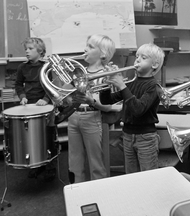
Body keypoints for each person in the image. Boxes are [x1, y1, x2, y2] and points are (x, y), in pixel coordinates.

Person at [99, 43, 165, 174]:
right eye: (137, 56)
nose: (138, 60)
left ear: (155, 65)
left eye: (143, 57)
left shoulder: (154, 86)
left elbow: (138, 109)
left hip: (146, 137)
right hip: (127, 135)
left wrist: (122, 86)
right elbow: (106, 100)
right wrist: (106, 84)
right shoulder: (131, 83)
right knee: (131, 176)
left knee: (149, 177)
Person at [67, 34, 116, 183]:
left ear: (102, 54)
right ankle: (75, 189)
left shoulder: (106, 74)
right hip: (73, 116)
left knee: (96, 160)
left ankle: (99, 192)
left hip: (92, 117)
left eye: (90, 46)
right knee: (74, 159)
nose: (85, 49)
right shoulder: (79, 72)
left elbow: (108, 107)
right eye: (86, 45)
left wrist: (91, 101)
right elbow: (64, 93)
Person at [14, 37, 57, 181]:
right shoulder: (22, 67)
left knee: (48, 136)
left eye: (30, 49)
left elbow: (51, 86)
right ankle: (36, 166)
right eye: (26, 49)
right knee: (32, 137)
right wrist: (22, 96)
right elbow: (19, 84)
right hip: (30, 105)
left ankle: (51, 166)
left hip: (46, 105)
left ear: (40, 51)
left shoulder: (46, 67)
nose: (27, 51)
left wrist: (45, 100)